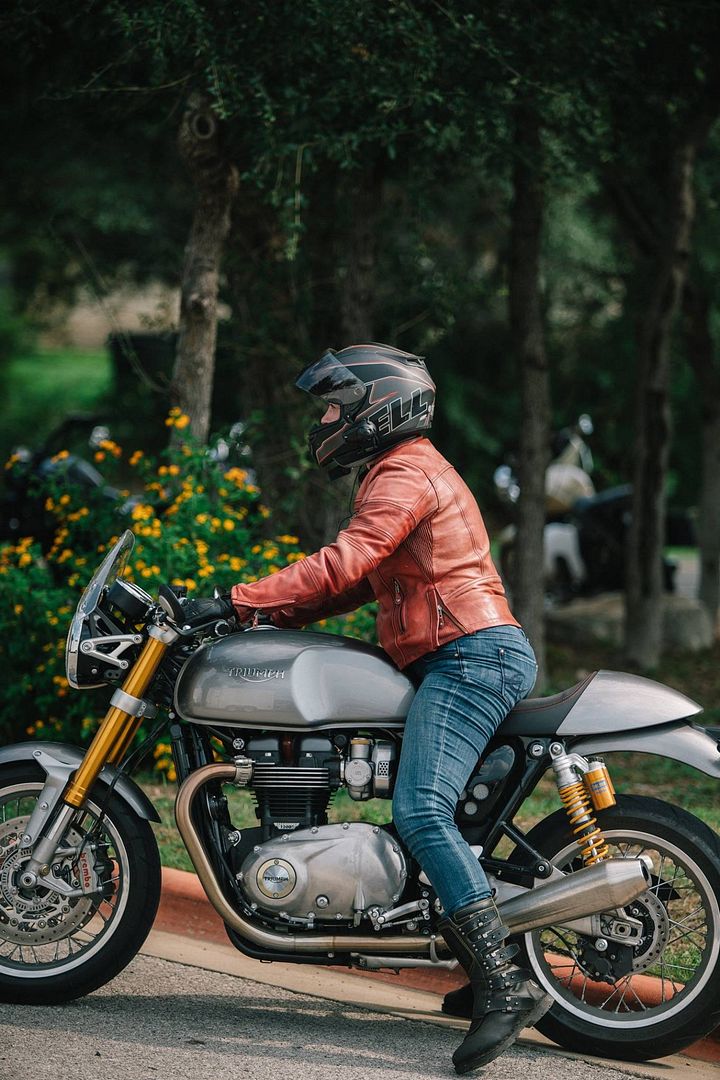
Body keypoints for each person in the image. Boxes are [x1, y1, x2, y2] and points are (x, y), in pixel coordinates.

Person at [226, 343, 551, 1074]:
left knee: (422, 811)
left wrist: (237, 598)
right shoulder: (398, 471)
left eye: (336, 407)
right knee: (437, 816)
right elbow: (355, 584)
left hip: (470, 656)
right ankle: (480, 964)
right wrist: (260, 615)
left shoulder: (405, 472)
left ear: (380, 407)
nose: (327, 421)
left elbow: (345, 560)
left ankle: (505, 985)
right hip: (458, 653)